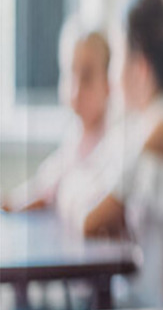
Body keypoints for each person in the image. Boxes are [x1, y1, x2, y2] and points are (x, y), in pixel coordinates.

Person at [61, 0, 163, 308]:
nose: (113, 76)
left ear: (138, 64)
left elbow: (88, 217)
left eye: (116, 58)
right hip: (138, 306)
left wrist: (78, 196)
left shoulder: (159, 132)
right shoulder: (155, 124)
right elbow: (78, 183)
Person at [1, 16, 110, 213]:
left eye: (87, 77)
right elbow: (41, 187)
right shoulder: (74, 138)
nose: (75, 90)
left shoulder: (113, 147)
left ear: (108, 83)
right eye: (70, 73)